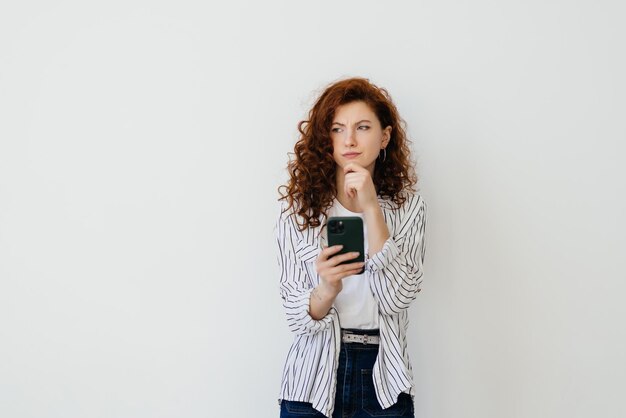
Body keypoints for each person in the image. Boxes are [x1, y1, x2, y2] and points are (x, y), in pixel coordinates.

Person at [275, 77, 427, 418]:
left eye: (362, 127)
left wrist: (372, 209)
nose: (350, 140)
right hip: (312, 378)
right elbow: (295, 317)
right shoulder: (298, 211)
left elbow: (398, 297)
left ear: (384, 136)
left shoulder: (409, 209)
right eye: (337, 129)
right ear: (325, 138)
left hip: (383, 378)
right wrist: (326, 289)